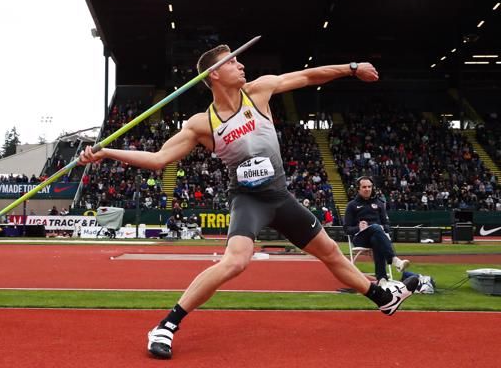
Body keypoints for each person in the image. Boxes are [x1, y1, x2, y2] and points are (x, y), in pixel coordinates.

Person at [79, 44, 418, 359]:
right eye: (233, 62)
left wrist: (351, 67)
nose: (241, 65)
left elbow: (307, 76)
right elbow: (158, 159)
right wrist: (106, 152)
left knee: (329, 251)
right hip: (248, 200)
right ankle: (165, 326)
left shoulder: (258, 91)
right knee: (236, 261)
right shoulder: (202, 124)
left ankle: (382, 297)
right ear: (214, 74)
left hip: (280, 196)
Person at [344, 176, 410, 284]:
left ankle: (382, 279)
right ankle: (394, 260)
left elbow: (387, 226)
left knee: (376, 239)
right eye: (364, 187)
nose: (367, 189)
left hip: (377, 236)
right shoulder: (351, 205)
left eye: (369, 187)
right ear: (358, 189)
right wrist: (359, 228)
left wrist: (381, 228)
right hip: (360, 237)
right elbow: (346, 229)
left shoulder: (379, 203)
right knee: (376, 227)